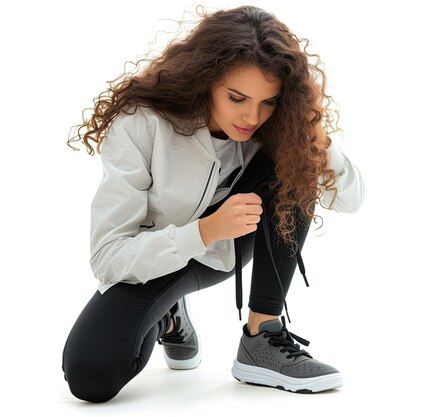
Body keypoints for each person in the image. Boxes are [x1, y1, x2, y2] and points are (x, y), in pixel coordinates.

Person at [62, 4, 364, 403]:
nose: (252, 116)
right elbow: (107, 256)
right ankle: (170, 317)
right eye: (237, 97)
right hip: (156, 255)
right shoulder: (141, 123)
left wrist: (312, 134)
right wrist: (204, 231)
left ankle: (262, 335)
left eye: (268, 102)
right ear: (206, 79)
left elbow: (349, 200)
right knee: (92, 375)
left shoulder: (276, 125)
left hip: (228, 249)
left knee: (296, 159)